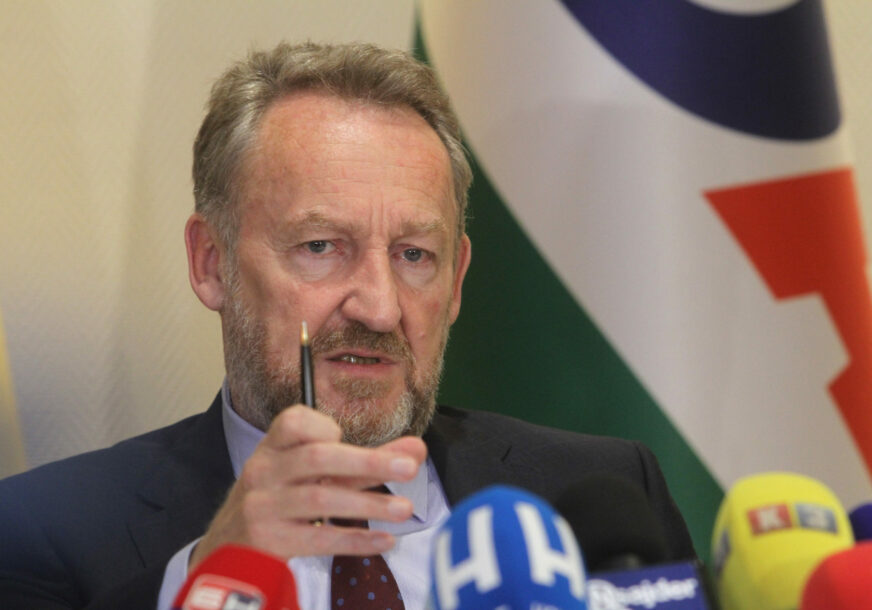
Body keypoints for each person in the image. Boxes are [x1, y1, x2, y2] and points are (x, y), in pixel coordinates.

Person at [0, 41, 696, 609]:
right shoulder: (44, 532)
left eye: (414, 255)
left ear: (456, 281)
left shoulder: (604, 496)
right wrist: (214, 573)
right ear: (211, 262)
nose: (380, 308)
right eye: (321, 247)